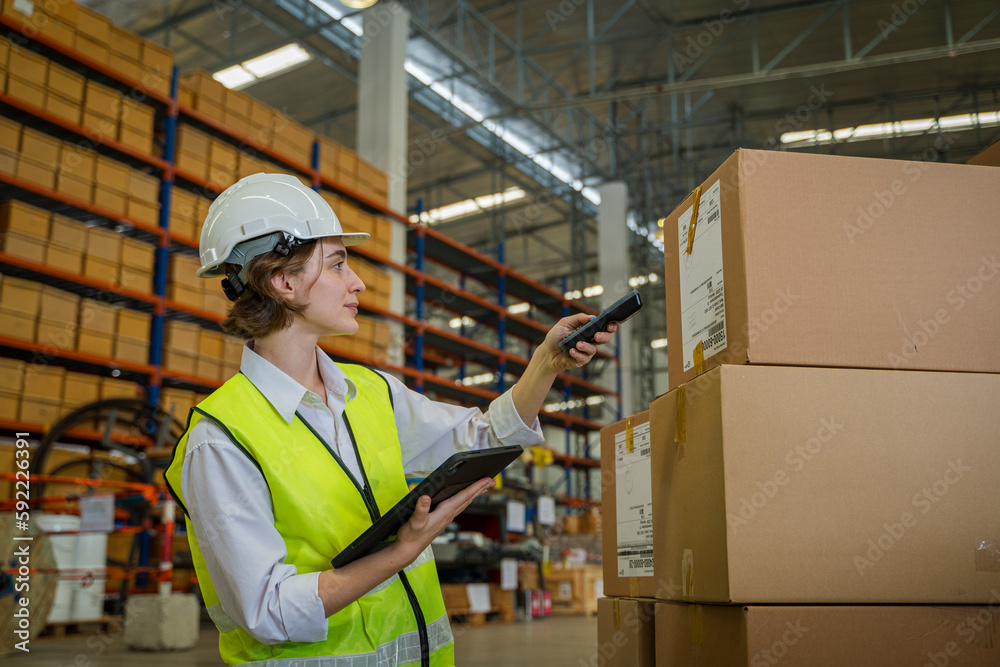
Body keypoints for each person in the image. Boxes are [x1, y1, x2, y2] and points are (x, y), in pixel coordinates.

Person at [163, 173, 616, 666]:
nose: (357, 282)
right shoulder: (221, 440)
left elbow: (481, 437)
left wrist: (545, 364)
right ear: (284, 281)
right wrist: (401, 552)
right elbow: (268, 611)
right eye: (337, 264)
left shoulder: (370, 392)